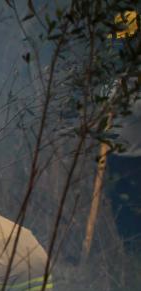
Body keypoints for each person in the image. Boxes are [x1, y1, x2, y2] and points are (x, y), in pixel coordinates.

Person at [105, 10, 141, 250]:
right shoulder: (117, 75)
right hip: (116, 155)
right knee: (120, 207)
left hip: (137, 157)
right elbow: (103, 102)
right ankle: (129, 253)